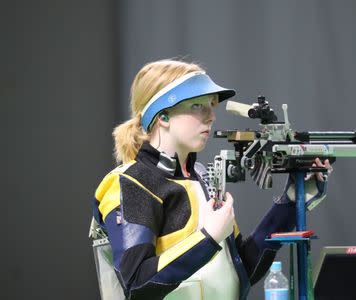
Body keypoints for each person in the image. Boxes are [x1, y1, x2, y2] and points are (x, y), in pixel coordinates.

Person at [91, 59, 332, 300]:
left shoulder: (204, 176)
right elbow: (137, 285)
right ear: (162, 115)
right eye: (197, 105)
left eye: (210, 105)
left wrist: (291, 201)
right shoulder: (131, 182)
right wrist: (208, 237)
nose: (210, 116)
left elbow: (242, 271)